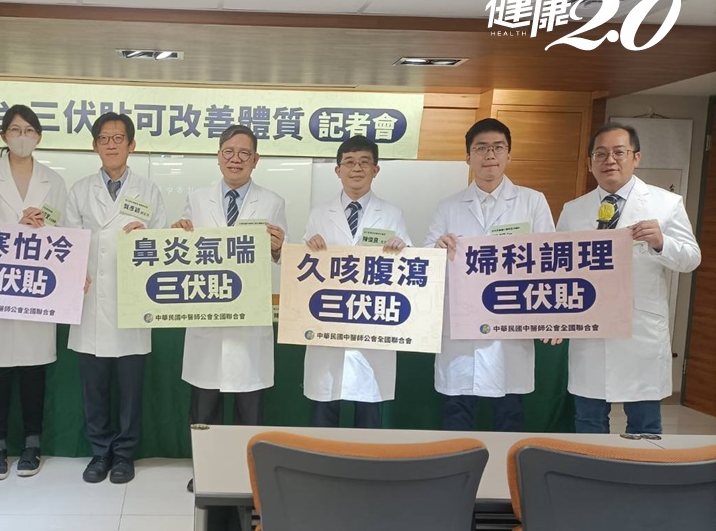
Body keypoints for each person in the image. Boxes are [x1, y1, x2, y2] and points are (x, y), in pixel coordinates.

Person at [557, 122, 700, 434]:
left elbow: (691, 258)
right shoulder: (573, 211)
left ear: (636, 157)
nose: (610, 160)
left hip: (640, 330)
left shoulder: (666, 204)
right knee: (589, 420)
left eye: (619, 152)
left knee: (644, 424)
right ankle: (591, 467)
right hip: (590, 328)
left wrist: (662, 243)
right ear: (590, 163)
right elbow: (559, 270)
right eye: (601, 154)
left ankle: (643, 467)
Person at [173, 124, 287, 492]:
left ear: (256, 159)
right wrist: (178, 232)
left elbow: (280, 257)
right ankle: (206, 471)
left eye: (244, 153)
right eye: (229, 151)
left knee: (248, 408)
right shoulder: (196, 199)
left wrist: (278, 247)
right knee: (203, 409)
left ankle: (247, 476)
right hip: (207, 318)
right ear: (218, 156)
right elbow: (181, 250)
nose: (235, 159)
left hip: (248, 321)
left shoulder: (272, 202)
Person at [426, 118, 556, 432]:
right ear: (467, 157)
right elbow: (427, 257)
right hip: (461, 326)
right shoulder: (448, 206)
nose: (489, 155)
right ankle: (456, 462)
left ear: (509, 154)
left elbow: (549, 260)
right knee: (457, 408)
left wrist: (551, 316)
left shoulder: (532, 201)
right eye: (481, 148)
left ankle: (506, 464)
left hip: (510, 322)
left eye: (498, 147)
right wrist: (437, 247)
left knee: (509, 410)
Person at [0, 104, 67, 479]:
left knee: (32, 371)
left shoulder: (53, 181)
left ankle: (32, 446)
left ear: (39, 136)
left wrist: (40, 228)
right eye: (15, 130)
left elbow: (63, 232)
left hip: (36, 288)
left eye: (29, 131)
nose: (22, 137)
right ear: (3, 135)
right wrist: (16, 226)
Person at [64, 112, 167, 484]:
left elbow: (162, 244)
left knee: (130, 390)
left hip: (131, 304)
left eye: (118, 138)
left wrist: (146, 237)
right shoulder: (79, 190)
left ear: (131, 145)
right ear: (95, 146)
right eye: (104, 138)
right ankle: (99, 452)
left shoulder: (149, 191)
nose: (111, 144)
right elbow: (69, 242)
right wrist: (75, 271)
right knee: (94, 389)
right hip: (90, 301)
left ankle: (124, 455)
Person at [301, 136, 410, 428]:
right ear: (338, 170)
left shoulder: (392, 214)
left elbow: (410, 272)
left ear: (376, 170)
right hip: (328, 324)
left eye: (364, 162)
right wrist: (308, 247)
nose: (356, 168)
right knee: (324, 411)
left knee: (368, 415)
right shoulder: (319, 214)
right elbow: (302, 271)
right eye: (349, 162)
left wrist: (402, 250)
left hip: (370, 327)